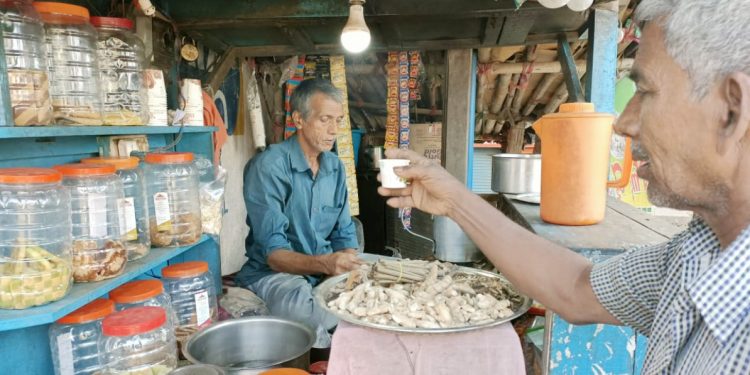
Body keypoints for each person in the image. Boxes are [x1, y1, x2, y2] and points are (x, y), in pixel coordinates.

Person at [379, 1, 750, 372]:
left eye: (646, 92)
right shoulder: (693, 254)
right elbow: (576, 288)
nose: (625, 123)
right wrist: (455, 200)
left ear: (731, 109)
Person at [236, 78, 362, 348]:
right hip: (276, 275)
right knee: (303, 313)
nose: (333, 130)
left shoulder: (335, 168)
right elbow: (275, 255)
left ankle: (328, 320)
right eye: (325, 119)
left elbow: (345, 236)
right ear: (299, 119)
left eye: (338, 121)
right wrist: (327, 265)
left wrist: (340, 270)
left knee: (377, 289)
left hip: (325, 272)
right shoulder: (269, 166)